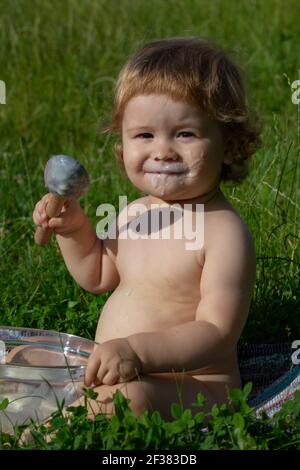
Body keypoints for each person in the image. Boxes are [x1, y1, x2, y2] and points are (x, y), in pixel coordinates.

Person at [33, 37, 260, 421]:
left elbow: (217, 330)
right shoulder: (135, 212)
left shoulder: (224, 233)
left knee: (125, 401)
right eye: (144, 135)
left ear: (230, 144)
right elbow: (99, 273)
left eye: (185, 134)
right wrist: (74, 231)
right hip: (117, 363)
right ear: (122, 150)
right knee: (26, 356)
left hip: (194, 386)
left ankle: (30, 437)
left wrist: (138, 352)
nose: (163, 151)